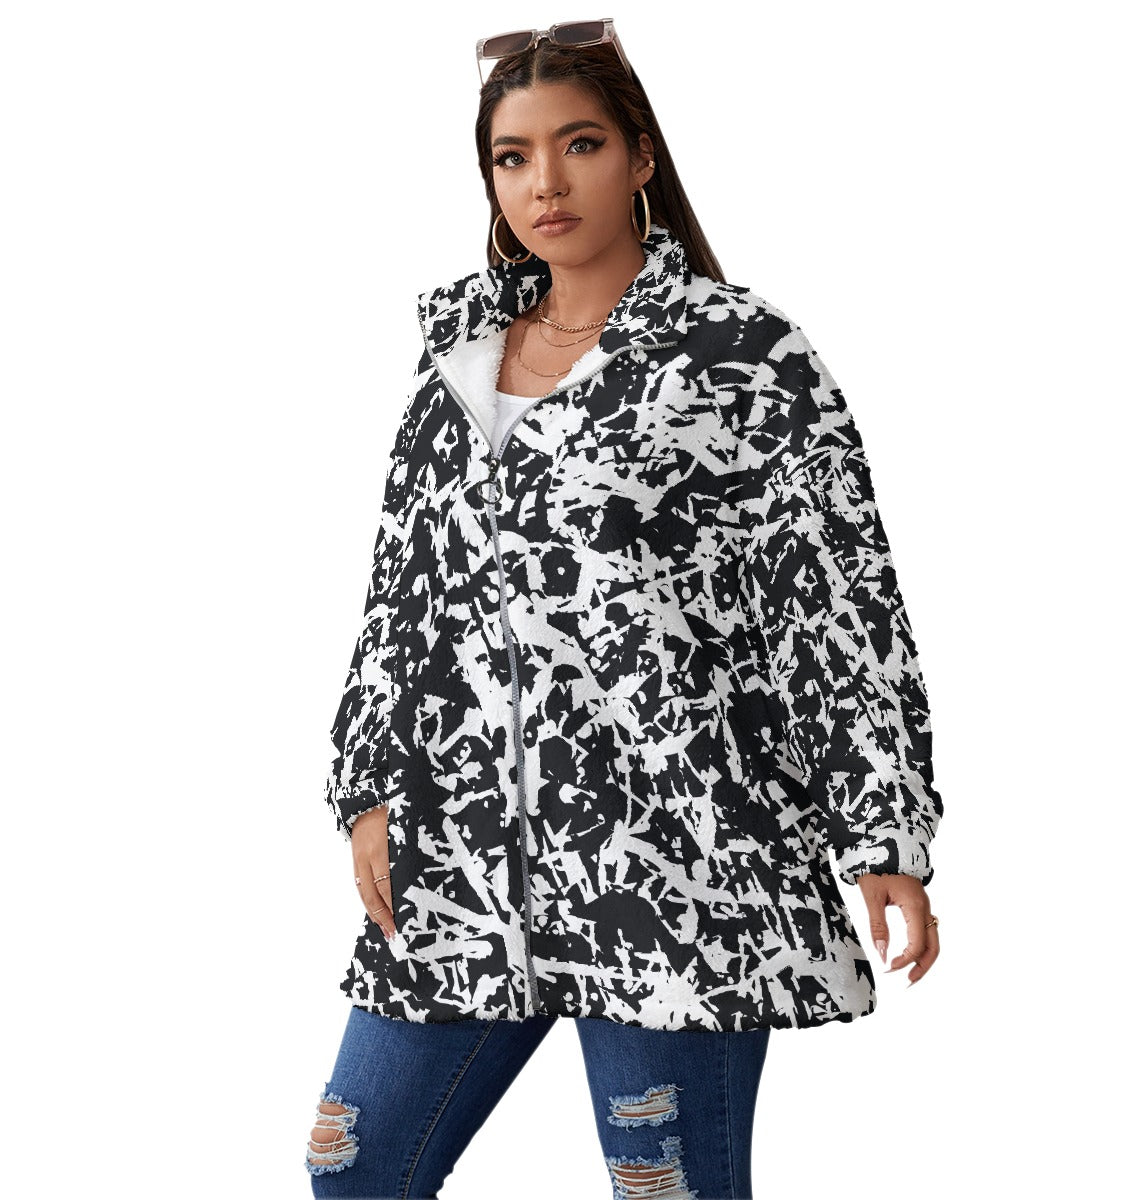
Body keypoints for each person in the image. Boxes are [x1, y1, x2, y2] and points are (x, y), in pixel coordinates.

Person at [307, 19, 945, 1199]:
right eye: (511, 157)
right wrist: (369, 787)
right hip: (465, 853)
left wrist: (881, 834)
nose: (544, 184)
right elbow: (401, 591)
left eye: (580, 144)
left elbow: (836, 599)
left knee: (667, 1192)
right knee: (354, 1166)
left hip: (673, 857)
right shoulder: (454, 363)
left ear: (641, 155)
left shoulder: (742, 355)